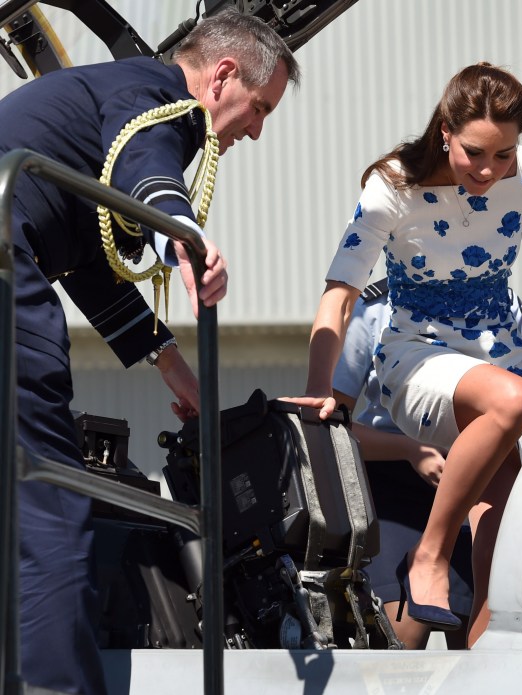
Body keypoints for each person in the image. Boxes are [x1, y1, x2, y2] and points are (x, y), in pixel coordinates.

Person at [287, 62, 522, 647]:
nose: (489, 170)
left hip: (498, 347)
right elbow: (339, 294)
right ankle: (430, 557)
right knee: (513, 400)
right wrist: (319, 384)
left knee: (503, 525)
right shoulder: (393, 185)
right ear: (445, 129)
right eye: (474, 153)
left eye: (504, 154)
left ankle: (482, 657)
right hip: (416, 356)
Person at [1, 10, 299, 693]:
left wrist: (170, 365)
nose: (255, 129)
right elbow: (147, 162)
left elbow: (85, 258)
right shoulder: (156, 97)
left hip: (20, 238)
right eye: (259, 108)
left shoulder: (103, 99)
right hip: (2, 251)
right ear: (222, 76)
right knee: (48, 489)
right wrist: (183, 238)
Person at [334, 278, 522, 649]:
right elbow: (333, 426)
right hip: (396, 487)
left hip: (480, 481)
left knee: (481, 636)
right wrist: (408, 450)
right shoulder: (374, 308)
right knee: (404, 630)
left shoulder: (505, 303)